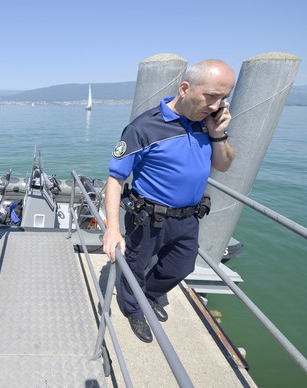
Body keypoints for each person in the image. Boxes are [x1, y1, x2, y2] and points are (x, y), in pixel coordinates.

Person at [102, 60, 236, 343]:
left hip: (188, 218)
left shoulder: (207, 124)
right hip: (148, 218)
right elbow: (115, 179)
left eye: (223, 98)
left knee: (182, 266)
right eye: (210, 96)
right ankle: (133, 309)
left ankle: (148, 295)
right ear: (185, 88)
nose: (216, 105)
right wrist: (112, 228)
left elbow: (223, 165)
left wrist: (217, 134)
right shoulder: (144, 128)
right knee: (135, 266)